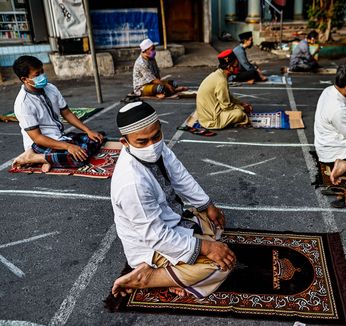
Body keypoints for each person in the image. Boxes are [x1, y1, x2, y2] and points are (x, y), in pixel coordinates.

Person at [111, 101, 235, 298]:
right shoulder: (131, 183)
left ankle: (176, 274)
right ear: (125, 142)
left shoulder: (158, 148)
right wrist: (207, 247)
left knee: (215, 222)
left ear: (159, 127)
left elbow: (180, 177)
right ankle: (149, 277)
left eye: (156, 137)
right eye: (142, 142)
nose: (151, 146)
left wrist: (207, 204)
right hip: (150, 245)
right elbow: (156, 236)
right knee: (220, 266)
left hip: (173, 220)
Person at [11, 55, 104, 172]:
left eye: (42, 71)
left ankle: (48, 160)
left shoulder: (51, 88)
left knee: (97, 138)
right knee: (77, 159)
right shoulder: (23, 104)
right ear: (24, 79)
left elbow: (67, 113)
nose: (42, 76)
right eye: (37, 74)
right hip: (39, 144)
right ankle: (33, 157)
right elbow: (38, 138)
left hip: (59, 137)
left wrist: (88, 131)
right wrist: (68, 146)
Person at [196, 49, 252, 129]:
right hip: (211, 120)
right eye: (236, 65)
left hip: (206, 115)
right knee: (240, 114)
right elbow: (226, 106)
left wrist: (241, 103)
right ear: (229, 67)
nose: (238, 67)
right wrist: (243, 108)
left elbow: (228, 97)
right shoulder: (221, 81)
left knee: (238, 109)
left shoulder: (218, 74)